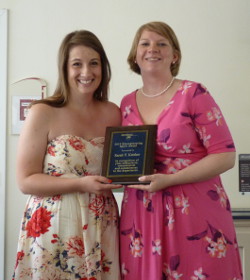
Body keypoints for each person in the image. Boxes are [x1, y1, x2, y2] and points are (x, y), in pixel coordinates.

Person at [119, 21, 243, 280]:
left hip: (194, 210)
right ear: (135, 55)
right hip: (141, 214)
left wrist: (171, 180)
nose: (153, 49)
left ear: (174, 56)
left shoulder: (194, 93)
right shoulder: (126, 103)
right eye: (145, 43)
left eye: (161, 43)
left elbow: (225, 154)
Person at [12, 30, 121, 280]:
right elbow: (25, 180)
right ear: (64, 68)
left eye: (94, 63)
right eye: (77, 64)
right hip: (54, 226)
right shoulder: (43, 112)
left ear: (103, 67)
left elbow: (123, 165)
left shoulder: (114, 113)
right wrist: (80, 184)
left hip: (100, 223)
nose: (86, 72)